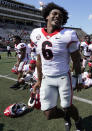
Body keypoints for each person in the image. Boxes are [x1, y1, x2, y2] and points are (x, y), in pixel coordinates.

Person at [30, 3, 83, 131]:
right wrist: (39, 80)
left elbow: (76, 59)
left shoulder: (68, 34)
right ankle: (66, 116)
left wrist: (79, 79)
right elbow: (39, 60)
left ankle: (77, 120)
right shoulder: (36, 33)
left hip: (63, 76)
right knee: (48, 113)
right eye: (54, 13)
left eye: (60, 15)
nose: (57, 16)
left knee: (67, 106)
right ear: (47, 16)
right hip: (47, 78)